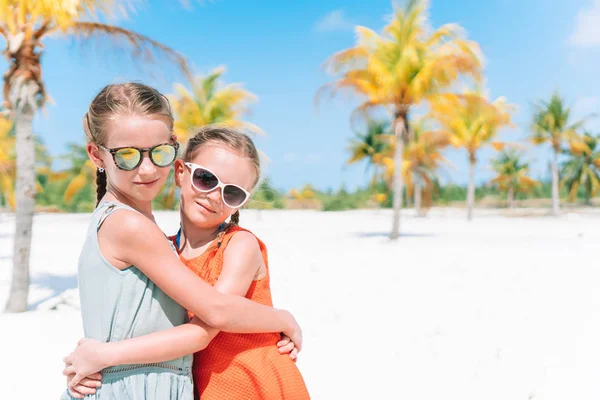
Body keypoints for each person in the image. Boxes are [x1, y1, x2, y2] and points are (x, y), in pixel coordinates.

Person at [61, 83, 301, 400]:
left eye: (157, 152)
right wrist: (284, 318)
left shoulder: (151, 233)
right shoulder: (129, 226)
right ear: (97, 155)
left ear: (173, 149)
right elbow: (216, 312)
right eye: (128, 156)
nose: (147, 169)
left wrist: (103, 356)